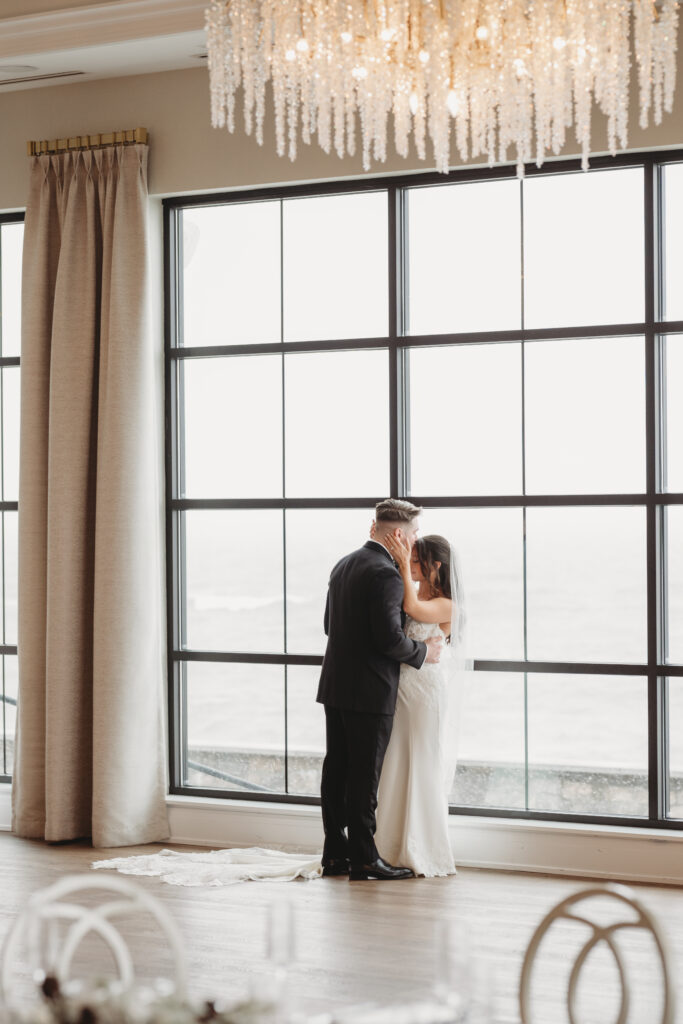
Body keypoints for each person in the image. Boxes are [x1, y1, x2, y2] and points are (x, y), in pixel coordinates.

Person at [316, 499, 443, 881]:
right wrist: (425, 652)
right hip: (370, 691)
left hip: (335, 685)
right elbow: (390, 641)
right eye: (415, 534)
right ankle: (365, 859)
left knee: (336, 771)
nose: (416, 540)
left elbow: (328, 625)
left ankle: (335, 854)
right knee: (363, 777)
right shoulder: (386, 574)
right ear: (400, 535)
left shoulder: (344, 564)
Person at [375, 532, 467, 877]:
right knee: (396, 761)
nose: (410, 566)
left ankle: (420, 846)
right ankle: (388, 844)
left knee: (421, 761)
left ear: (436, 566)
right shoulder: (409, 592)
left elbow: (413, 609)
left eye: (416, 561)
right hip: (400, 689)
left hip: (425, 693)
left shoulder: (447, 605)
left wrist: (398, 559)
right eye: (409, 560)